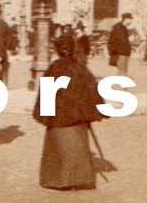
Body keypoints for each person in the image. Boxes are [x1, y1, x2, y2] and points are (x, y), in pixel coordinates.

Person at [33, 33, 107, 190]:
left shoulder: (53, 69)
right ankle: (78, 179)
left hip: (58, 121)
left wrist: (47, 116)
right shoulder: (81, 69)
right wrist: (89, 111)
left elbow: (45, 100)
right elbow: (92, 92)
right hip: (77, 120)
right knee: (76, 146)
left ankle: (59, 180)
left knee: (59, 147)